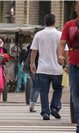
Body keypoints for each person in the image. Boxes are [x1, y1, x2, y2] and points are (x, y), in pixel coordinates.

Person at [30, 14, 65, 120]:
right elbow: (66, 50)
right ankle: (55, 107)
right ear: (55, 23)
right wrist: (67, 64)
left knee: (44, 91)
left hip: (42, 69)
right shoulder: (60, 35)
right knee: (58, 89)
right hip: (57, 69)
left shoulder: (38, 35)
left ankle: (45, 112)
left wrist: (32, 64)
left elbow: (34, 51)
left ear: (44, 23)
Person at [57, 0, 79, 132]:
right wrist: (60, 55)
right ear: (76, 8)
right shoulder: (69, 25)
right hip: (74, 67)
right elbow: (61, 44)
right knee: (76, 98)